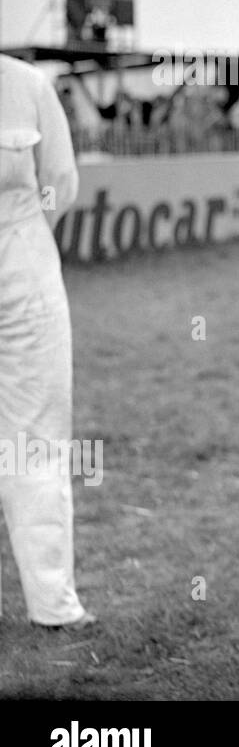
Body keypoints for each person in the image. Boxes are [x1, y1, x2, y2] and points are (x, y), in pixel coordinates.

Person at [0, 53, 96, 629]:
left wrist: (26, 244)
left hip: (23, 269)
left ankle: (53, 604)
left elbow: (58, 182)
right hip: (22, 253)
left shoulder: (29, 84)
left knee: (35, 438)